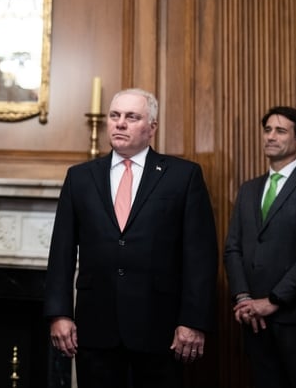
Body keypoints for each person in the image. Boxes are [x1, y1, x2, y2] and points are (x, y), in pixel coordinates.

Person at [43, 88, 218, 388]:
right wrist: (59, 313)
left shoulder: (183, 176)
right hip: (96, 328)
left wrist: (193, 321)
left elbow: (200, 256)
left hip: (160, 330)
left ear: (151, 128)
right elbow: (61, 252)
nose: (120, 123)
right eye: (115, 116)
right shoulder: (80, 177)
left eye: (131, 117)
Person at [223, 106, 296, 388]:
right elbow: (232, 248)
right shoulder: (249, 188)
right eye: (267, 130)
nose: (270, 136)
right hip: (253, 320)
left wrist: (272, 301)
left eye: (280, 130)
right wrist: (243, 298)